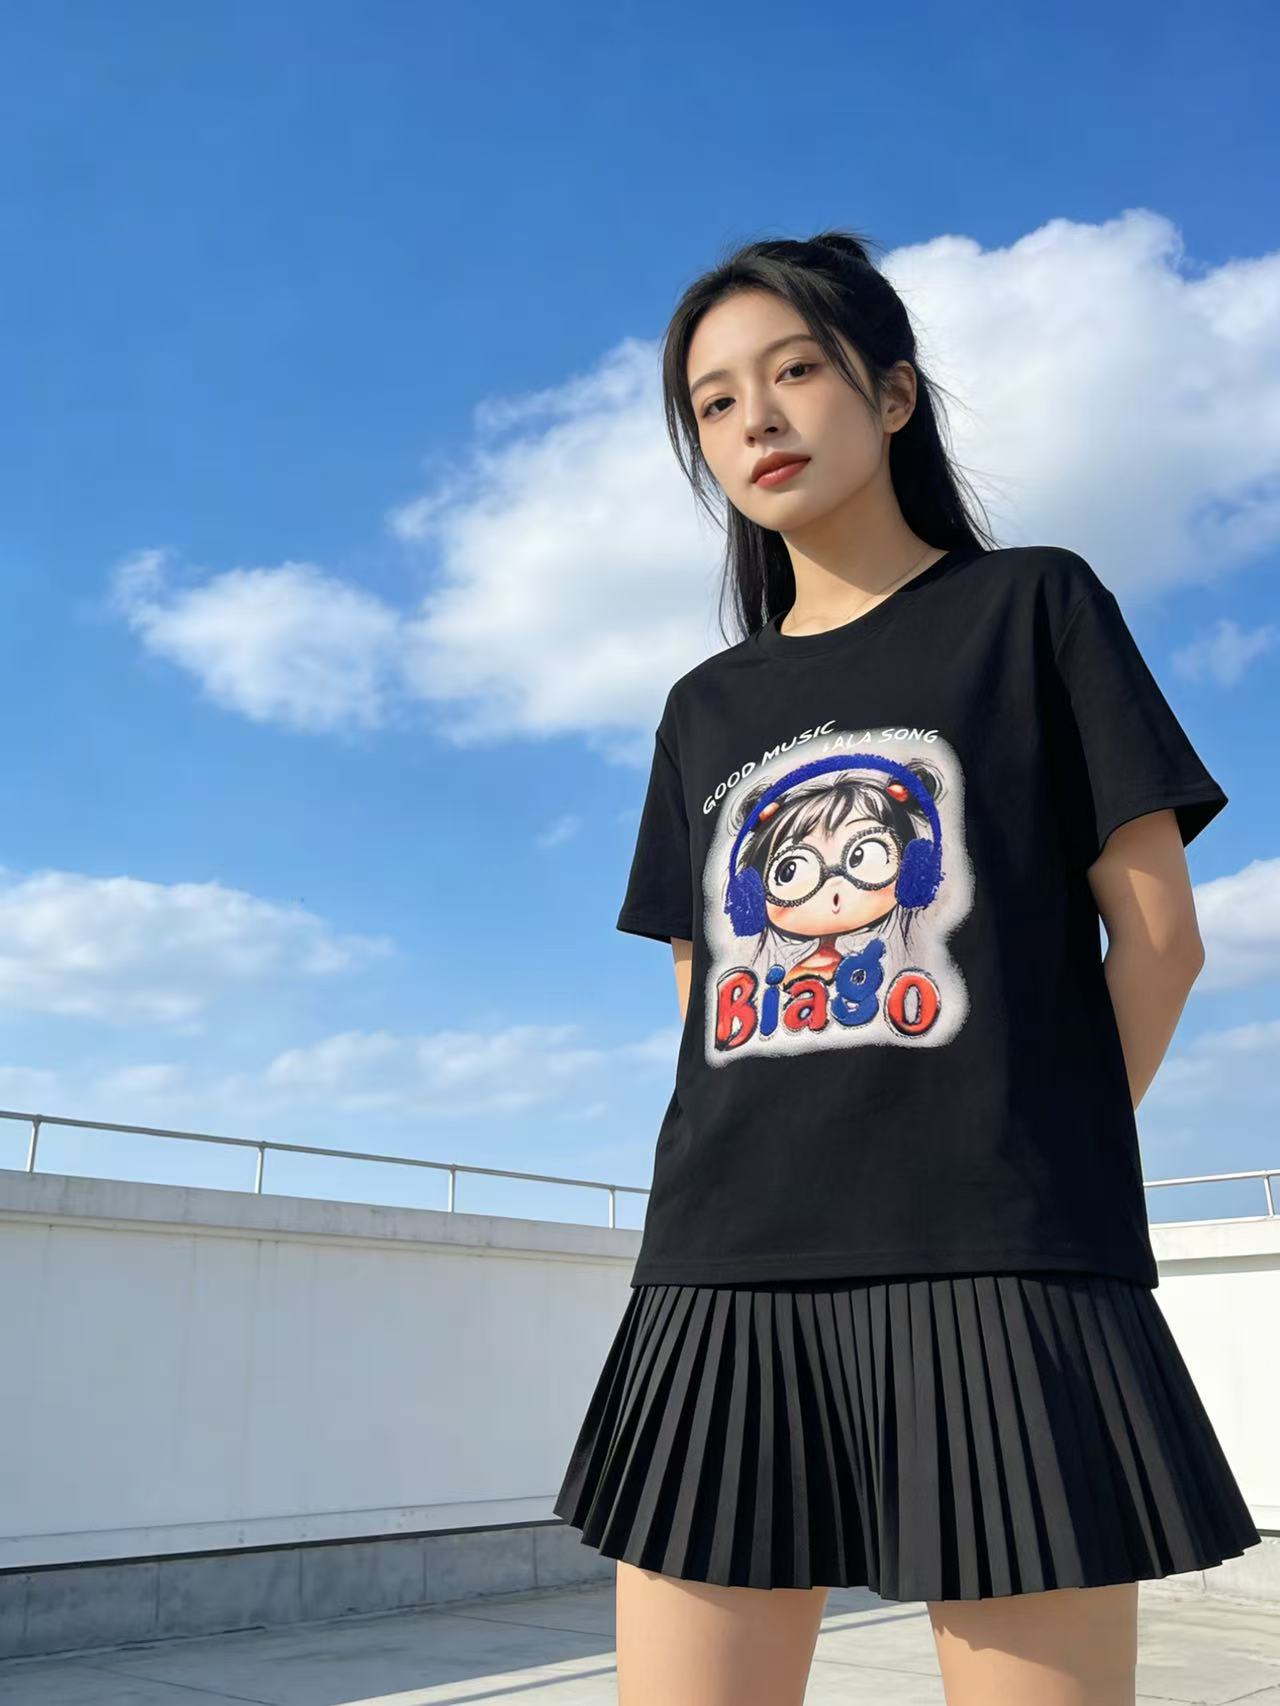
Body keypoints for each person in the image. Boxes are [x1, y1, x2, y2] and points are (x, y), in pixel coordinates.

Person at [552, 228, 1261, 1706]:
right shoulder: (705, 704)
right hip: (724, 1272)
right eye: (714, 401)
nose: (756, 418)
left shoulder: (1035, 609)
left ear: (890, 395)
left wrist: (1025, 1155)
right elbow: (700, 989)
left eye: (796, 371)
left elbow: (1162, 937)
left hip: (1003, 1270)